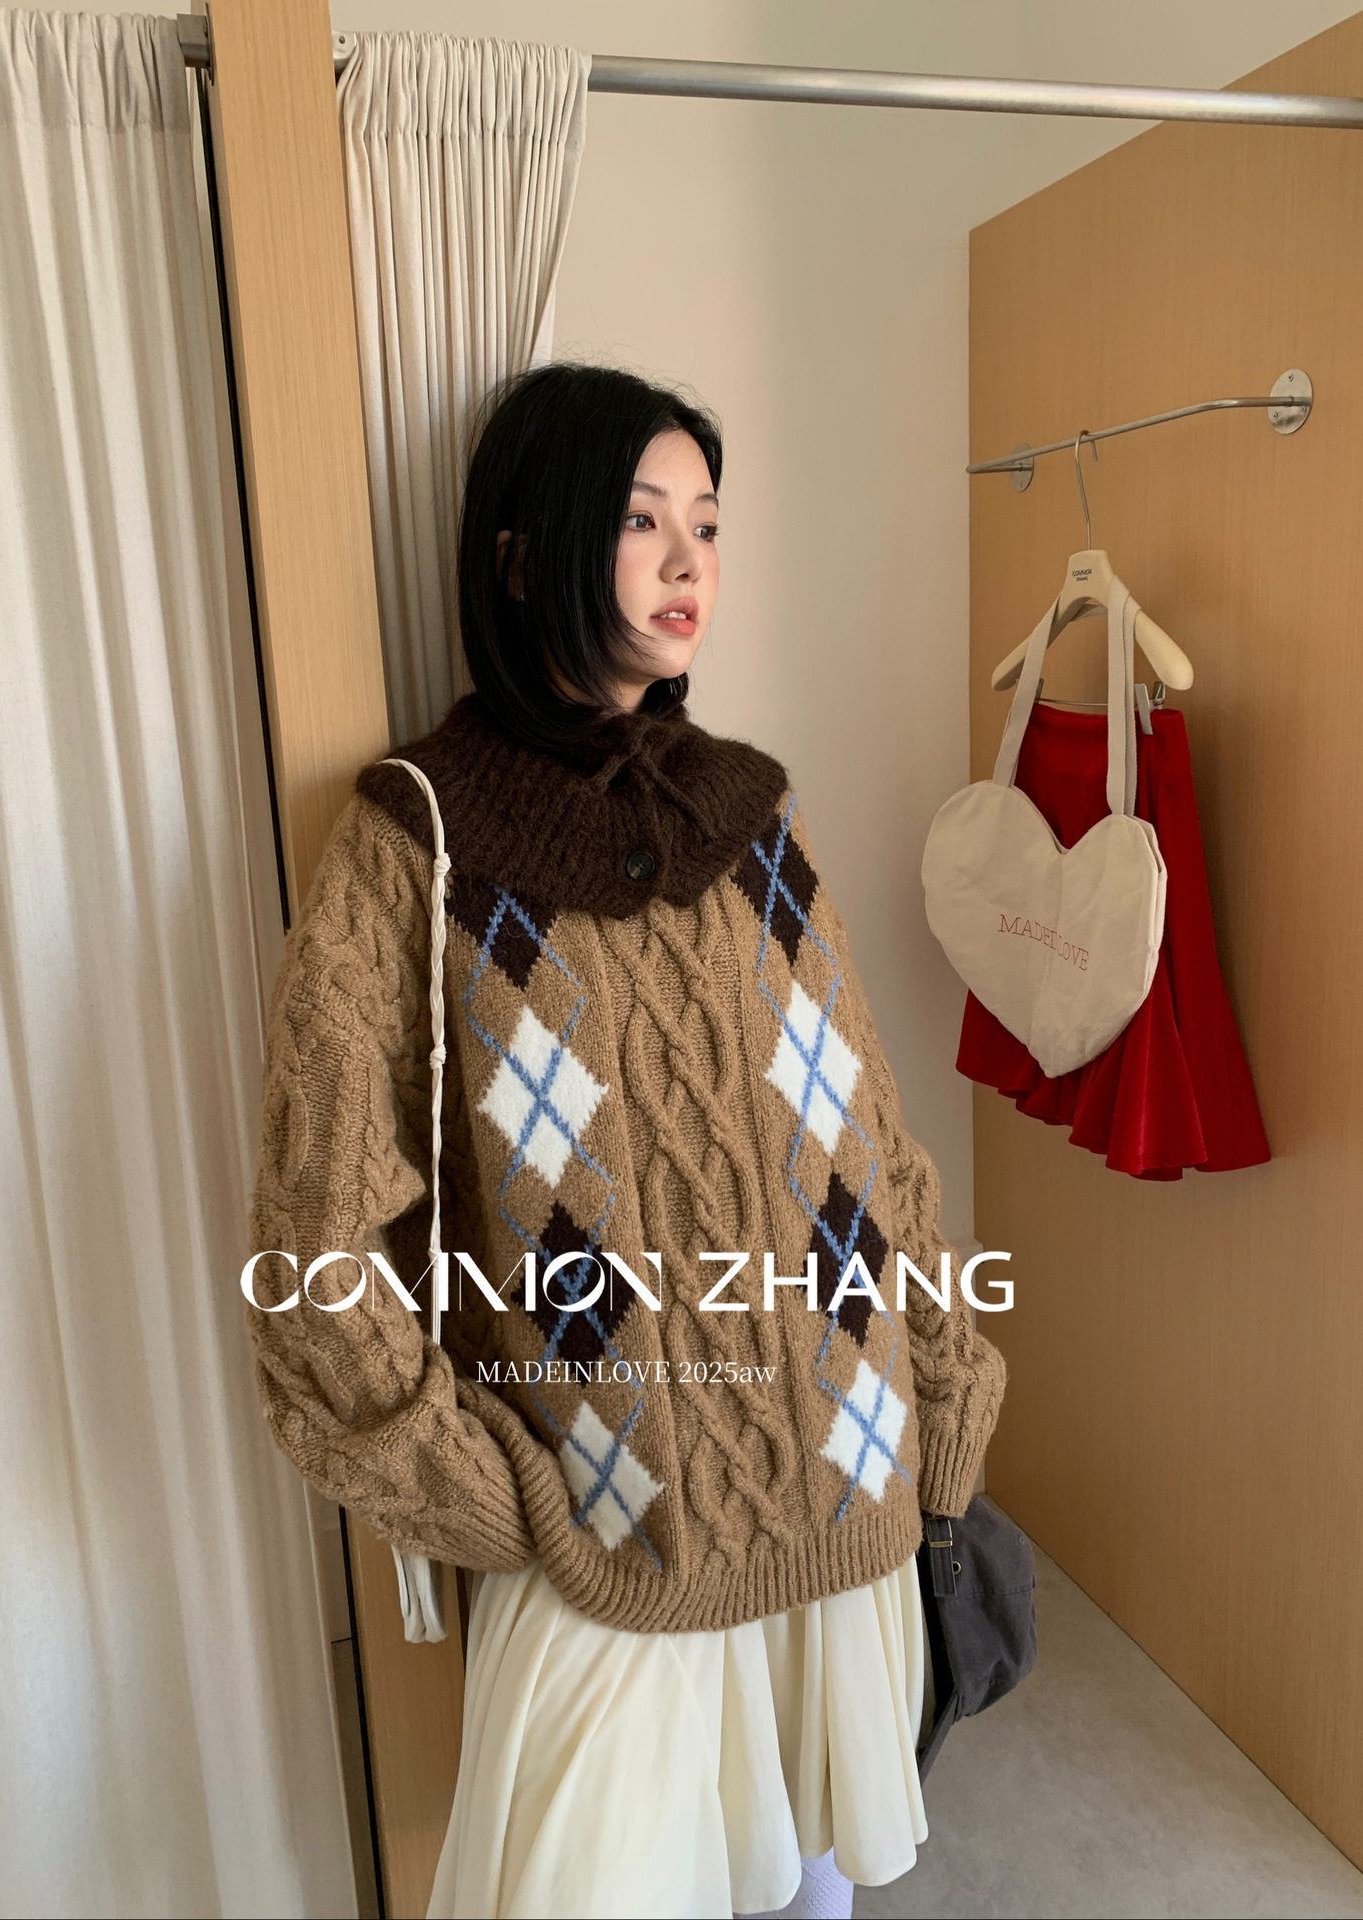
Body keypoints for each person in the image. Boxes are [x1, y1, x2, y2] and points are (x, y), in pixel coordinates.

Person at [245, 364, 1005, 1919]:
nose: (685, 563)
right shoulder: (420, 841)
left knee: (812, 1881)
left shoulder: (752, 816)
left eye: (706, 525)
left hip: (844, 1484)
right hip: (608, 1530)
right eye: (640, 520)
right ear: (522, 554)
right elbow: (318, 1231)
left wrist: (942, 1392)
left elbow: (869, 1143)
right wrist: (477, 1488)